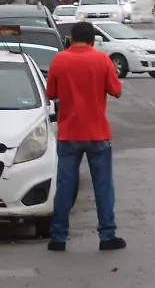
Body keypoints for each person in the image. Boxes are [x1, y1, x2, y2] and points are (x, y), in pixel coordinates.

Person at [44, 21, 126, 252]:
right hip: (97, 133)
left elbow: (50, 93)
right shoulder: (101, 60)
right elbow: (116, 90)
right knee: (103, 186)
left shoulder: (59, 60)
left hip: (68, 134)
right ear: (92, 40)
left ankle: (58, 238)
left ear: (70, 38)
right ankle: (107, 236)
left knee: (65, 186)